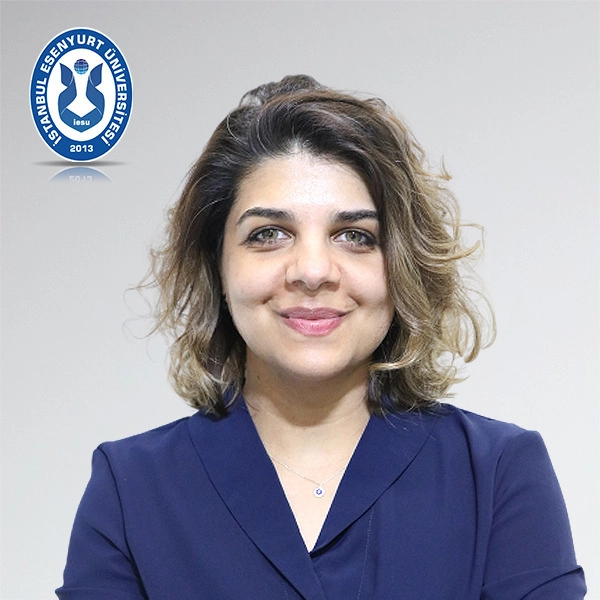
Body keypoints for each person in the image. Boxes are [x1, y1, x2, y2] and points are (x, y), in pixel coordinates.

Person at [56, 75, 586, 599]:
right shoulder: (130, 490)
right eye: (268, 234)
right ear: (217, 264)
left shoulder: (498, 474)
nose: (312, 271)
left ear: (404, 265)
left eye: (355, 236)